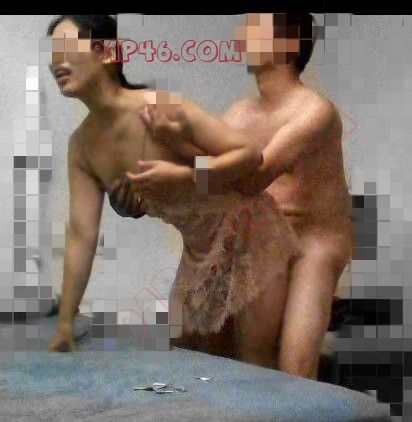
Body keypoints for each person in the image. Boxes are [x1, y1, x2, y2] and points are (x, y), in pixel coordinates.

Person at [112, 13, 353, 379]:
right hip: (263, 234)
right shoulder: (240, 114)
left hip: (314, 241)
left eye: (255, 28)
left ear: (288, 44)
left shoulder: (316, 113)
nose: (242, 35)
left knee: (294, 365)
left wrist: (176, 147)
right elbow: (215, 174)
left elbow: (251, 179)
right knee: (209, 348)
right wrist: (142, 193)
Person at [45, 14, 298, 363]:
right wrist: (64, 323)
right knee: (190, 356)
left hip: (253, 233)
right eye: (52, 53)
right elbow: (81, 235)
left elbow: (249, 156)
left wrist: (185, 176)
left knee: (254, 360)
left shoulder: (157, 108)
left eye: (66, 48)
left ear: (107, 54)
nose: (56, 62)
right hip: (199, 251)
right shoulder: (82, 146)